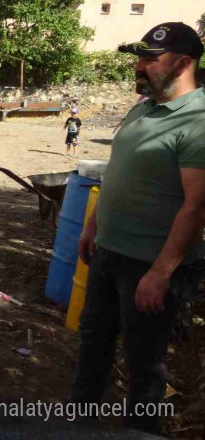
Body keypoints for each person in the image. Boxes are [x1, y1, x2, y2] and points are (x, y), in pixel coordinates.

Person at [73, 22, 205, 433]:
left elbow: (197, 205)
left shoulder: (198, 121)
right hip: (109, 251)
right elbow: (117, 172)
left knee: (144, 366)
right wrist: (92, 226)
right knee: (92, 344)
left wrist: (161, 272)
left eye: (151, 58)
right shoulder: (143, 108)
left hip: (150, 267)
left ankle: (140, 434)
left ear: (184, 63)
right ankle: (76, 427)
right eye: (139, 56)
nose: (139, 65)